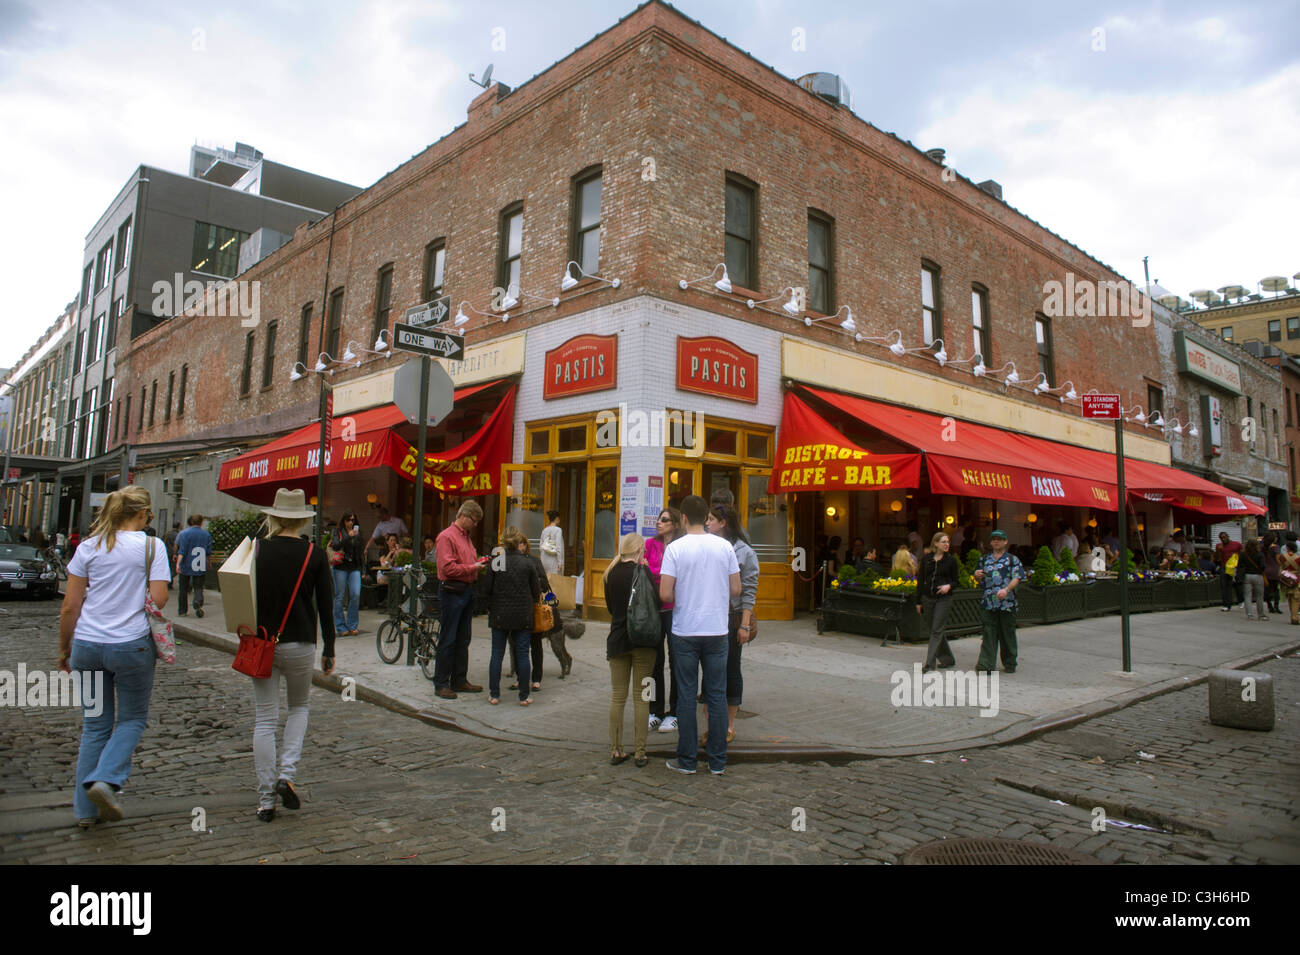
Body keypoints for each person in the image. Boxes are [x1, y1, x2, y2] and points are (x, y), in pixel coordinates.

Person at [57, 486, 171, 828]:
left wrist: (64, 649)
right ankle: (106, 780)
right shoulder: (152, 547)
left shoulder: (88, 547)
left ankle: (85, 812)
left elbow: (70, 606)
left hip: (88, 646)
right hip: (130, 644)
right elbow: (160, 599)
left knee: (94, 727)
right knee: (133, 719)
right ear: (141, 514)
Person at [248, 488, 336, 822]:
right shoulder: (314, 553)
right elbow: (326, 605)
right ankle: (287, 774)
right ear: (301, 519)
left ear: (273, 516)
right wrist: (330, 647)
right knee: (299, 707)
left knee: (265, 719)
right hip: (300, 641)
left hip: (263, 641)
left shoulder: (257, 550)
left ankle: (266, 799)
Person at [660, 495, 740, 776]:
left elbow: (665, 593)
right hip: (717, 629)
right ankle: (717, 761)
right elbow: (736, 589)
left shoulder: (675, 549)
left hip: (685, 629)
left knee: (685, 695)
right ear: (705, 516)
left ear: (683, 518)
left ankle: (687, 760)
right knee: (717, 695)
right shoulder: (724, 547)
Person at [603, 532, 657, 765]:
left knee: (617, 697)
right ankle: (640, 752)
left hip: (617, 641)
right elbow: (656, 601)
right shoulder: (643, 573)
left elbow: (610, 608)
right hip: (644, 643)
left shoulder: (610, 574)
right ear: (639, 550)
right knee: (643, 697)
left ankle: (616, 750)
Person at [707, 505, 758, 744]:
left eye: (711, 519)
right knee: (709, 670)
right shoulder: (706, 545)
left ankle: (728, 725)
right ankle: (710, 725)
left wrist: (744, 624)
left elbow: (748, 591)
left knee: (731, 669)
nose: (707, 523)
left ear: (723, 522)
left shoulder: (744, 552)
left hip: (731, 615)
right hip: (709, 615)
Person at [433, 500, 488, 699]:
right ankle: (441, 683)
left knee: (463, 638)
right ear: (464, 516)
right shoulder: (446, 537)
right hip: (452, 592)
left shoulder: (466, 537)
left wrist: (479, 563)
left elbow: (466, 561)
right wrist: (474, 568)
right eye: (474, 520)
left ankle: (459, 680)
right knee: (448, 638)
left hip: (466, 591)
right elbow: (448, 568)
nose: (475, 524)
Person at [485, 528, 540, 705]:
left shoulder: (496, 561)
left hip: (500, 613)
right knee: (523, 654)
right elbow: (536, 591)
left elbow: (487, 588)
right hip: (522, 614)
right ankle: (524, 695)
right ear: (518, 543)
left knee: (496, 654)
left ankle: (494, 694)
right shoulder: (527, 563)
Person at [645, 505, 683, 733]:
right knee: (653, 660)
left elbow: (673, 573)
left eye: (665, 520)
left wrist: (657, 571)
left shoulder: (680, 547)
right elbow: (644, 569)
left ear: (676, 524)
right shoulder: (650, 544)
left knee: (677, 660)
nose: (659, 522)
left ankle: (675, 711)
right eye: (659, 519)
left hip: (676, 609)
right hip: (653, 609)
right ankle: (654, 709)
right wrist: (665, 573)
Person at [973, 529, 1024, 674]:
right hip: (988, 602)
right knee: (989, 632)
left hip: (1007, 603)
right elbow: (978, 576)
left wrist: (1007, 590)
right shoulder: (984, 559)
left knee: (1007, 634)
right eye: (994, 539)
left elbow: (1017, 577)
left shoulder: (1012, 560)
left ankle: (1010, 662)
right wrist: (977, 575)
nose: (996, 541)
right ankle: (986, 664)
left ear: (1005, 541)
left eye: (999, 539)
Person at [917, 530, 959, 673]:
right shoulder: (926, 559)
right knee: (935, 630)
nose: (947, 544)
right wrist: (918, 601)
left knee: (936, 630)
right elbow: (920, 581)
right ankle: (948, 659)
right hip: (928, 598)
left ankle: (929, 663)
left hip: (944, 599)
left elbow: (956, 581)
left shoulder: (951, 560)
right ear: (936, 543)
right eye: (944, 542)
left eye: (948, 542)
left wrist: (949, 586)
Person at [329, 511, 366, 636]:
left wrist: (363, 569)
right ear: (344, 521)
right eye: (349, 520)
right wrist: (348, 536)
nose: (351, 522)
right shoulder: (337, 531)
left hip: (354, 567)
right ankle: (341, 627)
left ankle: (352, 625)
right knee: (340, 596)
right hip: (340, 566)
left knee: (355, 594)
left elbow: (361, 552)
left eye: (353, 520)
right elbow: (335, 546)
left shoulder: (358, 533)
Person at [173, 514, 212, 618]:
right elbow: (208, 551)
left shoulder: (184, 533)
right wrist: (209, 562)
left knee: (183, 589)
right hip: (200, 564)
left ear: (190, 522)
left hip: (186, 564)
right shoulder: (206, 535)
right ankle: (197, 600)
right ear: (201, 522)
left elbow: (183, 550)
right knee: (198, 587)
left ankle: (182, 611)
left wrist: (178, 563)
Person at [1236, 538, 1268, 622]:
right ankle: (1261, 614)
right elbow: (1263, 566)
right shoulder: (1260, 554)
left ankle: (1249, 614)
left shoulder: (1243, 554)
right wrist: (1260, 570)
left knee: (1247, 596)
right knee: (1259, 596)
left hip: (1246, 575)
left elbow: (1239, 565)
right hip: (1258, 575)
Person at [1279, 540, 1300, 625]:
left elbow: (1281, 567)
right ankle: (1295, 617)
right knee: (1296, 598)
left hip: (1286, 578)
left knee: (1290, 597)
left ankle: (1293, 616)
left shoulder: (1282, 557)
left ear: (1287, 548)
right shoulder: (1298, 558)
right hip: (1296, 579)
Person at [540, 510, 564, 576]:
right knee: (554, 582)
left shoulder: (544, 530)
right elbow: (558, 546)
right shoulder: (558, 530)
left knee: (546, 580)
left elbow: (541, 546)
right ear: (556, 519)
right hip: (554, 560)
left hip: (544, 559)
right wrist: (560, 562)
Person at [1262, 532, 1281, 615]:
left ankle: (1269, 606)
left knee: (1267, 589)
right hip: (1275, 570)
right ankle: (1276, 606)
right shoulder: (1276, 547)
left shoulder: (1261, 547)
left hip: (1265, 570)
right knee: (1276, 589)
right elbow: (1278, 560)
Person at [164, 521, 181, 589]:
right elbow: (178, 545)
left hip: (167, 553)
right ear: (179, 527)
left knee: (169, 568)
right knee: (174, 570)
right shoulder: (178, 535)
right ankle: (168, 581)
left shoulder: (167, 533)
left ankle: (170, 584)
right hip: (174, 554)